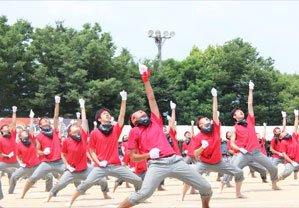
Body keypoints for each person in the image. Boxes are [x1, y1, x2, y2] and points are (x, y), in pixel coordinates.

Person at [118, 63, 212, 208]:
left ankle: (206, 206)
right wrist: (149, 154)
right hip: (156, 164)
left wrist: (145, 79)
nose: (142, 111)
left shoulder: (155, 121)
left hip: (175, 160)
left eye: (143, 110)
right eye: (138, 112)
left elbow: (151, 99)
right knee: (144, 193)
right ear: (133, 120)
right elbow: (133, 157)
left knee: (206, 187)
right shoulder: (134, 132)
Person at [68, 90, 142, 207]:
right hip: (101, 166)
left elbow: (122, 115)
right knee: (86, 184)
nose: (107, 114)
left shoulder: (115, 129)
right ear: (99, 119)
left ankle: (137, 197)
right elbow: (91, 151)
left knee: (137, 181)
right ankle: (70, 202)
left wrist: (124, 100)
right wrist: (98, 162)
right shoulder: (94, 133)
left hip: (116, 165)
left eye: (108, 113)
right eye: (104, 114)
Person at [181, 88, 245, 200]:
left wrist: (215, 97)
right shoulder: (198, 137)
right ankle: (182, 196)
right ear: (200, 125)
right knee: (191, 177)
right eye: (205, 119)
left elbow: (215, 111)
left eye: (208, 118)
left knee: (239, 172)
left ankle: (238, 193)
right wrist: (202, 147)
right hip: (204, 163)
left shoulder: (215, 128)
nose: (208, 119)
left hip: (219, 162)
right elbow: (195, 155)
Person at [47, 99, 110, 202]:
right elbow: (62, 155)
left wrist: (82, 107)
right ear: (70, 132)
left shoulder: (83, 137)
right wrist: (67, 165)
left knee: (102, 179)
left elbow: (84, 122)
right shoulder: (67, 141)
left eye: (77, 126)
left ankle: (105, 194)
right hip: (71, 170)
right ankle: (49, 196)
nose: (77, 126)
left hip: (85, 168)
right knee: (61, 184)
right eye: (73, 126)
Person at [224, 80, 280, 190]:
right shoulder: (234, 128)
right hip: (245, 153)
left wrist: (250, 90)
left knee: (273, 168)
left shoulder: (250, 121)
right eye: (238, 113)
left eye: (241, 112)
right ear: (234, 117)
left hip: (257, 152)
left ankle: (274, 184)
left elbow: (250, 104)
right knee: (233, 168)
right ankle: (223, 183)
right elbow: (232, 143)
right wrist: (240, 149)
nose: (241, 113)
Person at [21, 96, 66, 199]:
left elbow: (56, 115)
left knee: (72, 176)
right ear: (40, 126)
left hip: (59, 162)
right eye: (43, 121)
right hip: (46, 163)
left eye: (47, 120)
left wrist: (57, 103)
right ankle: (23, 195)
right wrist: (44, 152)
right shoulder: (39, 136)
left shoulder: (54, 130)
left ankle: (53, 192)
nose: (46, 121)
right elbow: (37, 151)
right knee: (33, 178)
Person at [8, 110, 52, 194]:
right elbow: (17, 156)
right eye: (23, 133)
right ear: (20, 136)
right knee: (14, 176)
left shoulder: (31, 140)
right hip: (25, 166)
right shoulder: (19, 145)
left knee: (49, 176)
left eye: (26, 132)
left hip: (37, 165)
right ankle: (10, 192)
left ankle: (48, 190)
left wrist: (31, 118)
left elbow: (31, 128)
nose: (25, 133)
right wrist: (20, 163)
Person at [0, 106, 20, 199]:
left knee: (29, 168)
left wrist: (14, 112)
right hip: (3, 161)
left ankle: (11, 190)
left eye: (7, 126)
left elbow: (14, 122)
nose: (7, 127)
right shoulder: (0, 140)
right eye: (5, 127)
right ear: (1, 130)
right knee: (9, 173)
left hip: (15, 161)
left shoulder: (12, 134)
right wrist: (7, 155)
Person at [277, 110, 299, 181]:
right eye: (282, 133)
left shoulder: (294, 137)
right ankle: (275, 181)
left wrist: (296, 116)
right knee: (288, 172)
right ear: (280, 137)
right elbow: (284, 154)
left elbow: (295, 126)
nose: (284, 132)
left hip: (297, 159)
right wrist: (292, 162)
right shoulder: (283, 142)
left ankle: (295, 176)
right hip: (290, 160)